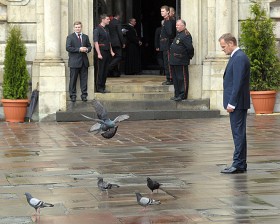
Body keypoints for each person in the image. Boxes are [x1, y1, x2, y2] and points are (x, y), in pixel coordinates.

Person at [219, 33, 250, 174]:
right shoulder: (236, 57)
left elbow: (237, 83)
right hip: (237, 103)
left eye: (224, 46)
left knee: (238, 134)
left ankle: (238, 163)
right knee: (239, 133)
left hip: (237, 103)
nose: (223, 49)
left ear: (231, 43)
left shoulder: (239, 58)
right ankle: (240, 163)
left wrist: (232, 103)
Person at [66, 21, 92, 102]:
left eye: (79, 27)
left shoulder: (85, 37)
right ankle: (72, 95)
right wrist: (79, 49)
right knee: (73, 80)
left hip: (84, 62)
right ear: (74, 28)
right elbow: (68, 48)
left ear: (81, 27)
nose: (78, 28)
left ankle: (84, 95)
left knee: (84, 80)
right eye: (76, 27)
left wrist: (87, 49)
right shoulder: (70, 37)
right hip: (74, 62)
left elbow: (90, 46)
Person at [169, 19, 193, 101]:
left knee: (182, 78)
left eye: (178, 25)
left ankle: (182, 95)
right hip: (174, 61)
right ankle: (177, 94)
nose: (176, 27)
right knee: (176, 79)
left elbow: (190, 48)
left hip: (181, 61)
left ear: (183, 26)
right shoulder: (179, 34)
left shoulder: (186, 35)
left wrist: (188, 57)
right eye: (176, 25)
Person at [93, 14, 115, 93]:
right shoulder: (97, 29)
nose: (109, 20)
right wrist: (98, 53)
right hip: (101, 52)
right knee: (100, 70)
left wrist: (111, 51)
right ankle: (99, 87)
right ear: (103, 20)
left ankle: (103, 86)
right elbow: (95, 42)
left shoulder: (107, 29)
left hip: (107, 52)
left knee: (105, 70)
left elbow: (109, 42)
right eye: (107, 19)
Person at [160, 5, 176, 85]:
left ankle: (170, 78)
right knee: (166, 61)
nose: (161, 13)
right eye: (161, 11)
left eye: (163, 11)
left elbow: (170, 33)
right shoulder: (166, 20)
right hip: (165, 44)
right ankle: (169, 78)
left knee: (168, 62)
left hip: (167, 44)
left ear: (168, 12)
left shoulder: (168, 21)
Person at [108, 13, 125, 77]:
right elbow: (120, 33)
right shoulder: (117, 22)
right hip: (117, 42)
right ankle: (108, 68)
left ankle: (115, 73)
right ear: (118, 16)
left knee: (113, 58)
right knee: (119, 56)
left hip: (110, 42)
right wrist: (123, 42)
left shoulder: (109, 22)